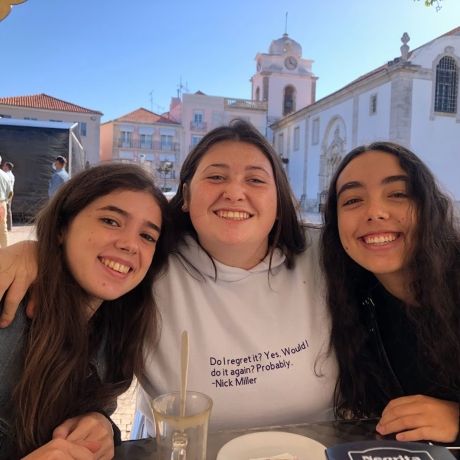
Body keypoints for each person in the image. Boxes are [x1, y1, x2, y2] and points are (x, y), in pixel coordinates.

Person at [0, 120, 337, 433]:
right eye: (216, 177)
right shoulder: (152, 263)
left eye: (256, 179)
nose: (235, 192)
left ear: (278, 199)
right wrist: (39, 254)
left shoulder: (324, 254)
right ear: (185, 197)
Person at [0, 163, 169, 459]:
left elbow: (95, 410)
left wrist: (102, 425)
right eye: (111, 221)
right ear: (63, 227)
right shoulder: (8, 303)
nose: (130, 244)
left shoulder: (116, 329)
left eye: (147, 236)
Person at [321, 141, 460, 443]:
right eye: (353, 200)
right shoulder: (355, 300)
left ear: (429, 208)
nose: (375, 212)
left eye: (398, 194)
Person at [0, 155, 12, 248]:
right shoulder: (5, 175)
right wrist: (6, 201)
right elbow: (10, 192)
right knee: (2, 228)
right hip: (1, 204)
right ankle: (5, 250)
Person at [2, 161, 15, 231]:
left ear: (7, 167)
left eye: (4, 166)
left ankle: (9, 227)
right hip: (6, 193)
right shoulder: (6, 174)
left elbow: (8, 187)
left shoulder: (8, 175)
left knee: (7, 209)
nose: (3, 167)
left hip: (7, 194)